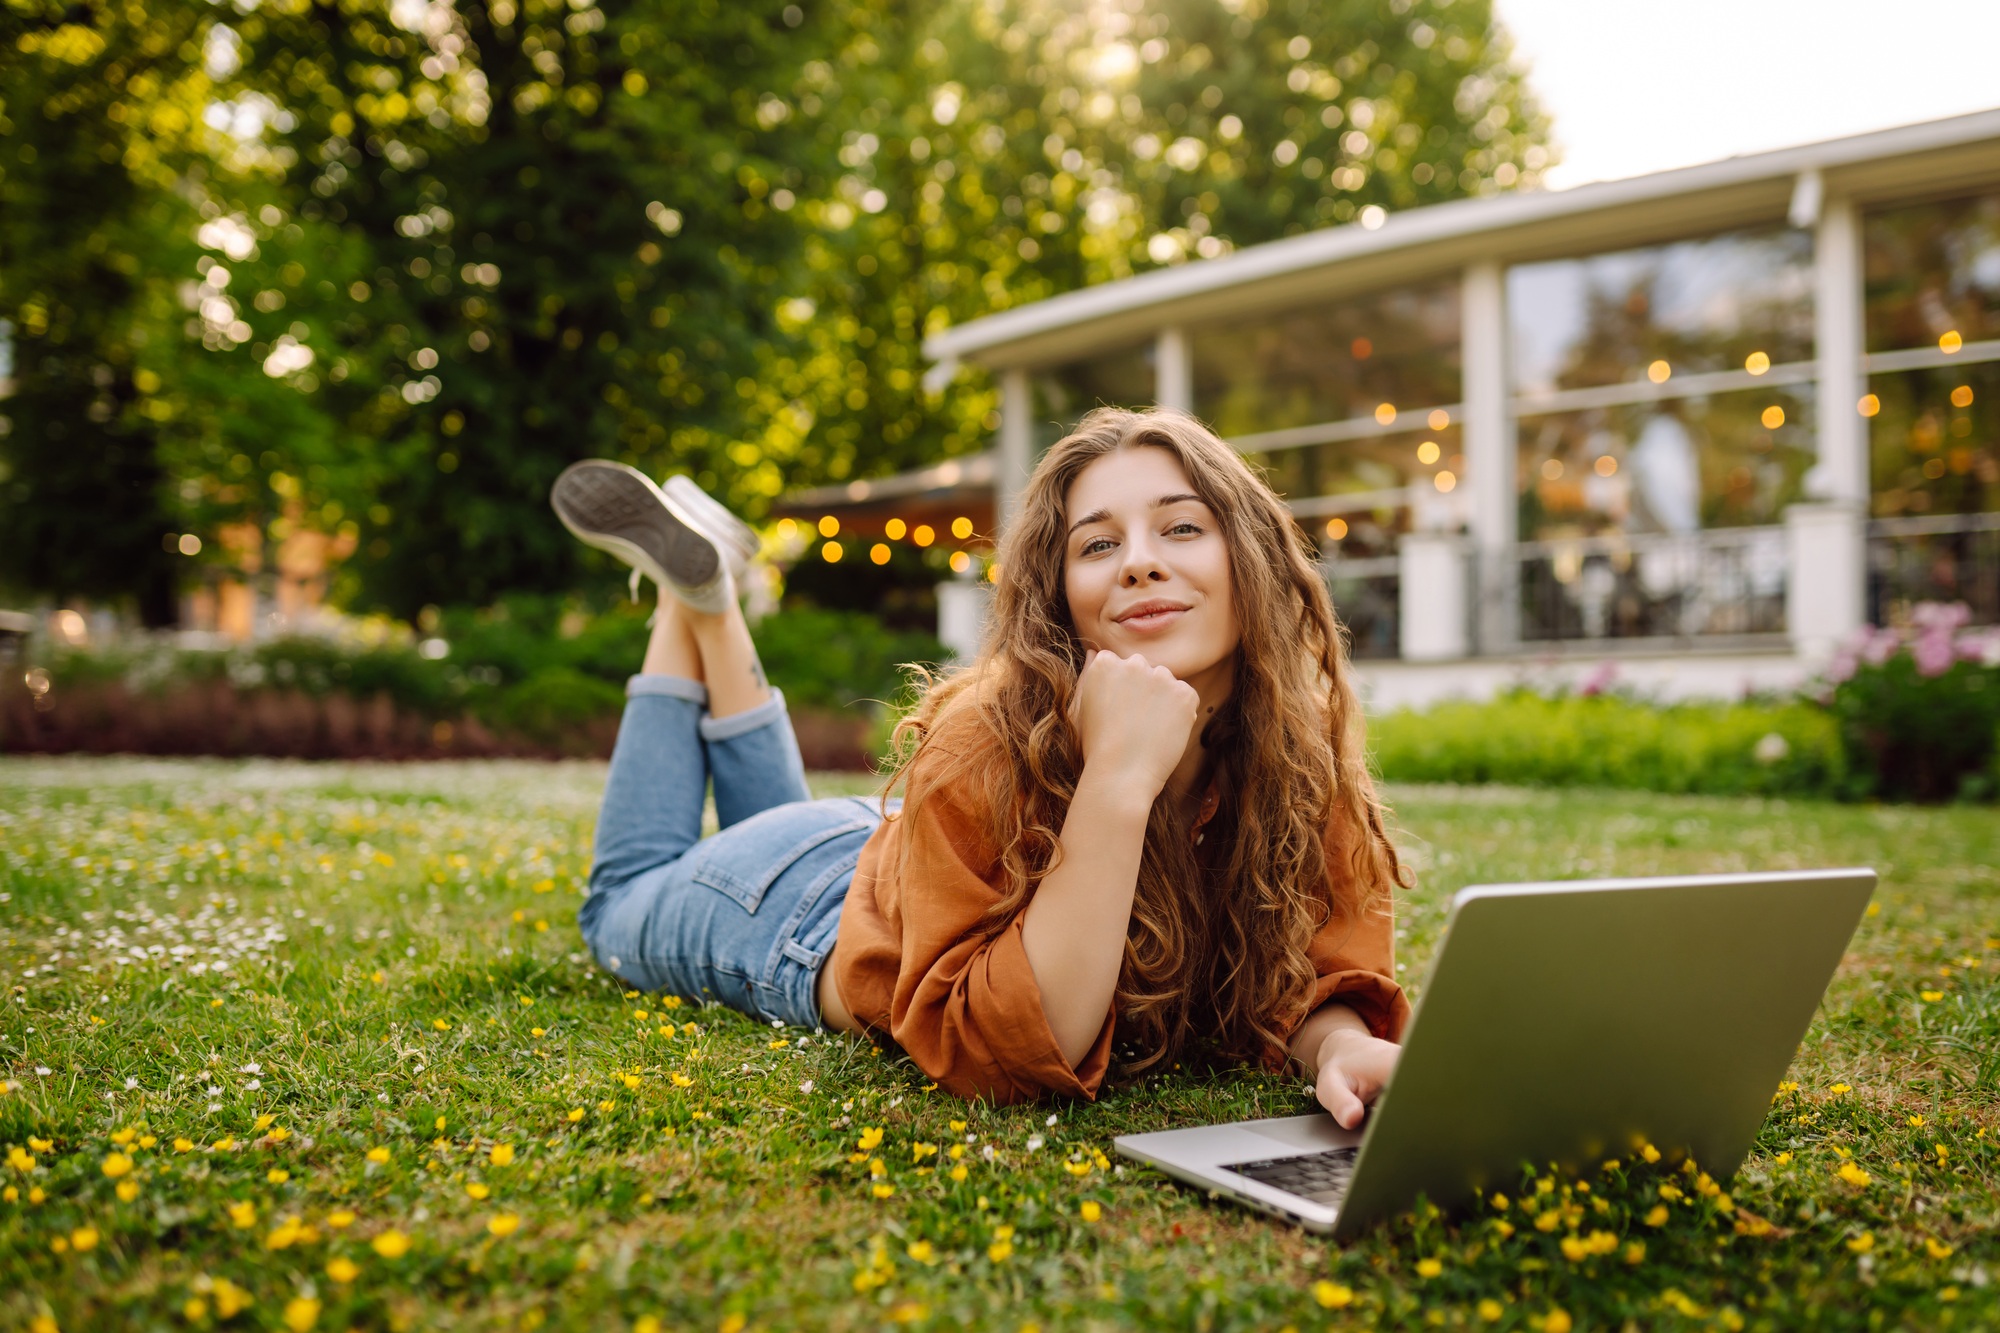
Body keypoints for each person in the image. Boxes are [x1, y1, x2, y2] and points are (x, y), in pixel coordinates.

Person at [553, 407, 1409, 1125]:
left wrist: (1338, 1042)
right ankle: (690, 598)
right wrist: (1116, 777)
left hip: (901, 859)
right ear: (1060, 593)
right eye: (1097, 544)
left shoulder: (1298, 752)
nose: (1142, 560)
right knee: (618, 901)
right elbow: (1014, 1047)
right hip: (796, 910)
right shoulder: (988, 732)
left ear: (1250, 561)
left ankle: (706, 589)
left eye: (1182, 527)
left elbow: (1312, 975)